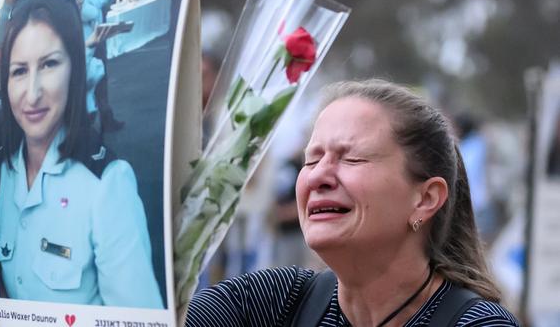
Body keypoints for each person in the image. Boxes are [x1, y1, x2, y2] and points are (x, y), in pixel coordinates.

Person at [186, 79, 520, 326]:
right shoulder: (270, 303)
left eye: (353, 159)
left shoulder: (476, 324)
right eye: (312, 159)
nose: (320, 176)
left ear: (426, 198)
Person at [0, 0, 162, 308]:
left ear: (75, 68)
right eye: (20, 71)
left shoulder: (108, 184)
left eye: (50, 64)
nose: (33, 92)